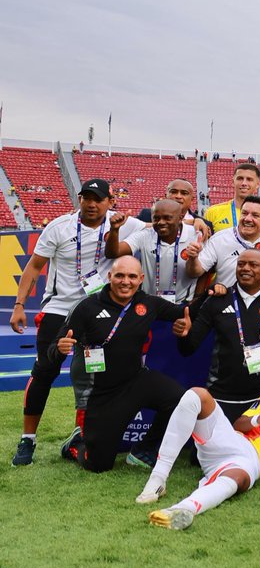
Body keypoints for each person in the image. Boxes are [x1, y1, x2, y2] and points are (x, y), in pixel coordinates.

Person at [10, 178, 138, 466]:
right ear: (79, 199)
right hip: (60, 309)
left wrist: (199, 224)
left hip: (98, 313)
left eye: (98, 199)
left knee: (96, 376)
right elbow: (34, 266)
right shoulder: (59, 226)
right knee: (44, 371)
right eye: (86, 198)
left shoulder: (125, 225)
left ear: (110, 202)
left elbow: (160, 224)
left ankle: (83, 435)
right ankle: (27, 439)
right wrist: (19, 305)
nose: (91, 204)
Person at [135, 353, 260, 530]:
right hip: (233, 441)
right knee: (196, 395)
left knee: (238, 480)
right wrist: (258, 419)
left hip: (252, 463)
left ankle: (181, 509)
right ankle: (157, 479)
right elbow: (239, 424)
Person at [50, 257, 190, 471]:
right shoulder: (87, 306)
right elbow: (55, 349)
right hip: (103, 393)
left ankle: (144, 450)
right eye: (120, 276)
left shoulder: (147, 303)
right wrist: (59, 348)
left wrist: (216, 293)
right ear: (110, 277)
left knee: (183, 401)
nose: (126, 282)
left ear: (141, 279)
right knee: (98, 465)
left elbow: (187, 312)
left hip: (137, 380)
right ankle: (76, 443)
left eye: (132, 276)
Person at [174, 249, 260, 422]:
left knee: (259, 450)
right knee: (209, 449)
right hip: (220, 395)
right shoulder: (218, 299)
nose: (245, 268)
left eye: (253, 264)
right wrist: (183, 335)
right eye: (241, 264)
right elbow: (187, 350)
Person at [105, 199, 201, 302]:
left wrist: (197, 297)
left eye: (167, 218)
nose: (161, 222)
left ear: (180, 218)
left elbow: (206, 270)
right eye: (156, 218)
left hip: (182, 302)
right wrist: (114, 229)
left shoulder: (196, 235)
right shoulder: (145, 235)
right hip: (149, 302)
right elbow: (113, 253)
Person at [187, 195, 260, 290]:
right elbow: (194, 272)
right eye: (244, 213)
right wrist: (193, 258)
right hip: (225, 300)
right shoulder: (220, 239)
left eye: (255, 215)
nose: (248, 219)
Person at [203, 162, 260, 232]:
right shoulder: (212, 212)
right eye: (240, 178)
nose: (244, 183)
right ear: (233, 182)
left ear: (258, 184)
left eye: (249, 179)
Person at [135, 178, 210, 234]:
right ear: (166, 196)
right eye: (173, 192)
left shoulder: (205, 224)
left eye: (184, 193)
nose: (178, 196)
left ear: (192, 199)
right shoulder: (147, 215)